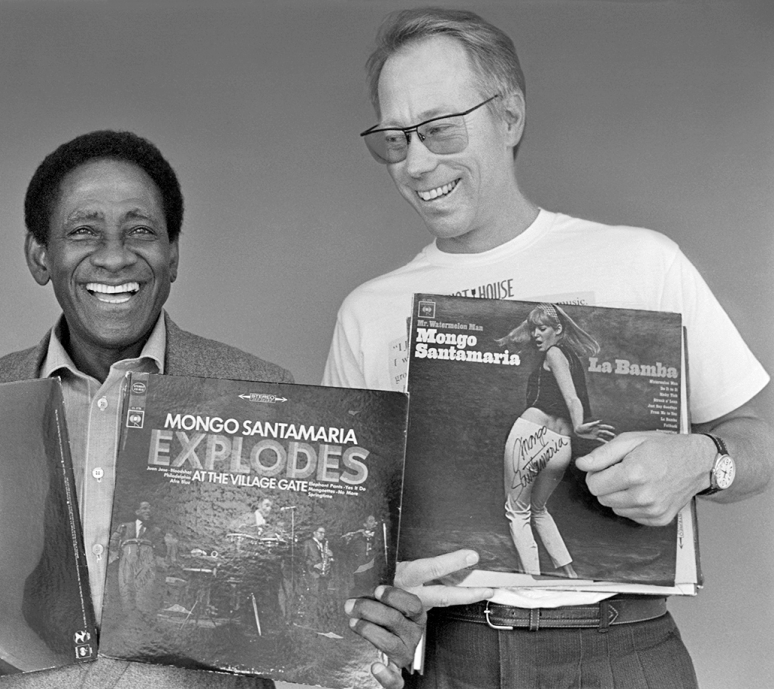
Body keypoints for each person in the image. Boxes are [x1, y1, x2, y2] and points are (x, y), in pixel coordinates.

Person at [0, 130, 428, 689]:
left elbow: (316, 607)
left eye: (141, 231)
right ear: (39, 255)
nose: (114, 255)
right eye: (83, 231)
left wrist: (373, 639)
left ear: (172, 257)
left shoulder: (264, 395)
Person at [324, 7, 773, 687]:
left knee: (522, 509)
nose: (416, 163)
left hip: (626, 646)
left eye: (440, 128)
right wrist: (385, 618)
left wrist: (707, 460)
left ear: (509, 117)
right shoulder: (367, 313)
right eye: (394, 138)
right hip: (454, 657)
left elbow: (762, 436)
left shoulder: (640, 262)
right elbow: (350, 525)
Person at [496, 304, 615, 578]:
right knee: (538, 510)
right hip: (560, 445)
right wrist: (577, 428)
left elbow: (571, 397)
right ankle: (570, 574)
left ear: (558, 329)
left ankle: (532, 582)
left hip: (532, 435)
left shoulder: (554, 352)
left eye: (542, 328)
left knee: (517, 511)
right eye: (533, 329)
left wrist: (580, 424)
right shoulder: (573, 358)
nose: (536, 335)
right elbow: (573, 398)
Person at [109, 500, 164, 615]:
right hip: (126, 563)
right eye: (144, 508)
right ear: (137, 511)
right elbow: (113, 546)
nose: (148, 511)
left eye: (149, 508)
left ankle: (142, 617)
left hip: (146, 565)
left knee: (144, 593)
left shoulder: (156, 531)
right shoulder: (124, 527)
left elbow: (161, 551)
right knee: (126, 589)